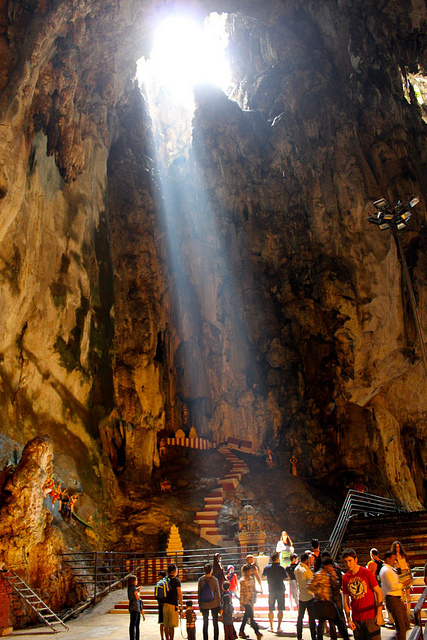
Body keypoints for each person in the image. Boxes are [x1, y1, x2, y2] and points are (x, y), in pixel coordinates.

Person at [342, 548, 383, 640]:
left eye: (350, 561)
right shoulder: (345, 578)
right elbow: (345, 600)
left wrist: (379, 614)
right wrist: (348, 619)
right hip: (357, 619)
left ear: (355, 560)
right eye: (346, 562)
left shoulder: (366, 572)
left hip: (371, 616)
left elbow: (378, 593)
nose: (348, 564)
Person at [309, 558, 349, 640]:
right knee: (330, 622)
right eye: (330, 566)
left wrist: (334, 575)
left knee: (327, 622)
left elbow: (336, 585)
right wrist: (319, 592)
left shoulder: (329, 575)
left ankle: (339, 636)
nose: (331, 568)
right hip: (322, 602)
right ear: (326, 566)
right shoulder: (318, 575)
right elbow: (310, 585)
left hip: (328, 602)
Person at [379, 551, 410, 640]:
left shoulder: (389, 570)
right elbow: (392, 586)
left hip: (395, 598)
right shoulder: (386, 571)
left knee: (405, 623)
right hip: (392, 598)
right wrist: (404, 583)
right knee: (401, 626)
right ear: (387, 559)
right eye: (392, 559)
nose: (394, 561)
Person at [262, 551, 288, 632]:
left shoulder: (267, 568)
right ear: (277, 559)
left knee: (271, 608)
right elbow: (286, 578)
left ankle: (271, 626)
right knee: (280, 608)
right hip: (280, 588)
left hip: (271, 589)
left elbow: (263, 576)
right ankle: (279, 627)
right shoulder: (281, 568)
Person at [295, 552, 316, 640]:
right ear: (307, 560)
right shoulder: (306, 570)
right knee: (311, 618)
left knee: (300, 617)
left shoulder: (297, 569)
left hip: (301, 596)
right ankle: (313, 636)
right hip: (309, 596)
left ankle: (299, 636)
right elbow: (311, 583)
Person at [198, 563, 221, 640]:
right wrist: (219, 604)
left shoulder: (201, 580)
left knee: (205, 622)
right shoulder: (214, 580)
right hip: (214, 603)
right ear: (211, 571)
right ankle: (216, 638)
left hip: (204, 604)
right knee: (215, 622)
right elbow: (217, 593)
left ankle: (205, 638)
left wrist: (199, 604)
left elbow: (199, 593)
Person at [239, 564, 262, 640]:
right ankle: (257, 632)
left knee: (246, 617)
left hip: (250, 600)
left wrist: (258, 591)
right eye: (248, 571)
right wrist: (241, 604)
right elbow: (241, 592)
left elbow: (253, 589)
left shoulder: (252, 579)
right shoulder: (242, 581)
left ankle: (241, 630)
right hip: (246, 601)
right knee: (251, 618)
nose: (250, 572)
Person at [391, 540, 412, 616]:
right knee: (402, 594)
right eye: (396, 547)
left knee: (408, 593)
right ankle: (403, 611)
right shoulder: (393, 556)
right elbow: (392, 566)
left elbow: (407, 564)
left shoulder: (403, 555)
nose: (398, 549)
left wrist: (410, 574)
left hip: (406, 573)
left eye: (398, 547)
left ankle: (408, 611)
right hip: (399, 575)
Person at [163, 563, 183, 640]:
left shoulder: (164, 580)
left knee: (166, 625)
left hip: (164, 604)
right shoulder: (176, 580)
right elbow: (179, 593)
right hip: (173, 604)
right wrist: (181, 605)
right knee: (171, 626)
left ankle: (167, 639)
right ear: (174, 571)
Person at [128, 575, 145, 640]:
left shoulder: (130, 588)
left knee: (134, 624)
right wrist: (139, 591)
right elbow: (137, 596)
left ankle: (135, 637)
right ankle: (134, 637)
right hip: (135, 607)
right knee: (134, 624)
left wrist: (137, 589)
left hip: (133, 607)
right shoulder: (133, 587)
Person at [155, 570, 168, 640]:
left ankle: (162, 637)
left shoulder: (158, 584)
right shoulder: (167, 583)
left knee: (161, 622)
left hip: (160, 604)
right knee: (166, 623)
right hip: (166, 603)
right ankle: (167, 637)